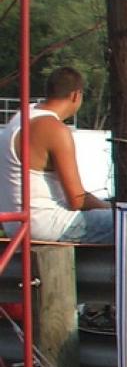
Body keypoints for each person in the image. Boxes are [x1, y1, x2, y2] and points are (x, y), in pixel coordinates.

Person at [0, 66, 113, 242]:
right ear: (76, 95)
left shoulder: (22, 116)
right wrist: (111, 207)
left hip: (15, 224)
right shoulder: (54, 129)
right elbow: (77, 200)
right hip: (45, 224)